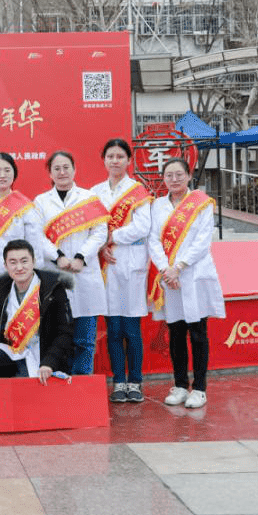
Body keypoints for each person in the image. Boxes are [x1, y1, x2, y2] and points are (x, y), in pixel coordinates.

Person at [148, 158, 226, 409]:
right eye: (169, 175)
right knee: (176, 333)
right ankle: (180, 385)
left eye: (179, 174)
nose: (174, 179)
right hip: (170, 279)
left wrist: (178, 267)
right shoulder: (157, 206)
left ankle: (200, 388)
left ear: (188, 176)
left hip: (193, 274)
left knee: (198, 331)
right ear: (163, 179)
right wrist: (165, 269)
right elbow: (153, 241)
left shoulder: (201, 203)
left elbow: (202, 241)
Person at [34, 151, 109, 375]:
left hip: (84, 274)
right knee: (58, 339)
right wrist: (58, 257)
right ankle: (61, 389)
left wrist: (80, 257)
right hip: (55, 274)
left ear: (75, 169)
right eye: (56, 168)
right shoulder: (40, 201)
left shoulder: (88, 198)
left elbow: (99, 232)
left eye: (66, 167)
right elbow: (37, 235)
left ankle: (83, 386)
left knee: (85, 340)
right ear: (50, 173)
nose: (62, 172)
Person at [91, 139, 153, 403]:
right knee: (114, 328)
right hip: (106, 266)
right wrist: (101, 244)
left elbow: (142, 227)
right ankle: (118, 381)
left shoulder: (138, 191)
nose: (115, 161)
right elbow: (91, 227)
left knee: (132, 328)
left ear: (129, 161)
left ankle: (135, 381)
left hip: (131, 265)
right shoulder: (94, 193)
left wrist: (109, 237)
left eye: (120, 156)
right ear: (103, 160)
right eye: (110, 156)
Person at [0, 239, 75, 384]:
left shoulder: (53, 288)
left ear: (33, 262)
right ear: (6, 266)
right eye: (13, 262)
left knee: (25, 389)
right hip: (13, 354)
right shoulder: (0, 288)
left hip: (44, 355)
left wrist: (49, 362)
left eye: (24, 261)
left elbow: (64, 332)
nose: (19, 267)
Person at [0, 153, 45, 338]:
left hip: (17, 274)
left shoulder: (25, 207)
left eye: (7, 170)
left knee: (15, 323)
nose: (2, 175)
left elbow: (35, 245)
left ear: (14, 174)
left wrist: (36, 277)